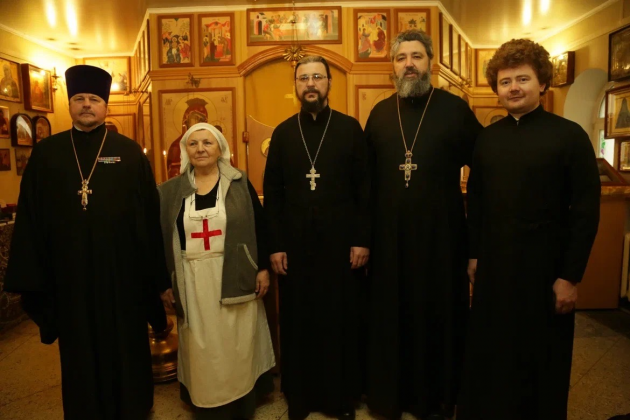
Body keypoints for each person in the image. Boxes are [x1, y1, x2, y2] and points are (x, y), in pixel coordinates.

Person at [4, 64, 168, 420]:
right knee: (79, 351)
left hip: (122, 278)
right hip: (70, 279)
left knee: (125, 345)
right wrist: (36, 277)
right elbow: (31, 217)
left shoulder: (129, 153)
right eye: (79, 98)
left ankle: (133, 408)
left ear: (105, 105)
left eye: (94, 99)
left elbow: (148, 221)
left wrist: (156, 278)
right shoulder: (47, 154)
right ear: (70, 105)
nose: (87, 105)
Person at [457, 39, 601, 420]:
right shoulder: (487, 139)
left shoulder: (570, 136)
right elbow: (477, 203)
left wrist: (570, 276)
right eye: (505, 82)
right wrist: (473, 255)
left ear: (543, 83)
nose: (514, 88)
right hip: (495, 269)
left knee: (543, 360)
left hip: (546, 271)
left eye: (522, 79)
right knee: (493, 354)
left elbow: (585, 213)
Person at [364, 29, 482, 420]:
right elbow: (364, 182)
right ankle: (391, 398)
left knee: (438, 316)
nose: (409, 64)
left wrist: (477, 243)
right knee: (392, 317)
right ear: (393, 66)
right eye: (401, 58)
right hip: (389, 241)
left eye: (417, 56)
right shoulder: (380, 114)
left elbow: (484, 171)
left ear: (431, 63)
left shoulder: (455, 110)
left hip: (441, 240)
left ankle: (437, 398)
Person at [263, 55, 370, 420]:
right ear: (296, 85)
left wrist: (362, 239)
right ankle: (300, 397)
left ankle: (341, 398)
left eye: (317, 77)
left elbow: (364, 189)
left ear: (328, 83)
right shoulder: (283, 133)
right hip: (295, 246)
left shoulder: (349, 129)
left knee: (340, 318)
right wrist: (276, 245)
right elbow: (272, 193)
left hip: (341, 245)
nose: (310, 83)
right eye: (303, 78)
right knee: (299, 320)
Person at [158, 122, 276, 419]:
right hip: (192, 279)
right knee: (202, 344)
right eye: (194, 143)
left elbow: (260, 226)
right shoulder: (170, 191)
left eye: (207, 143)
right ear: (186, 150)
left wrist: (262, 268)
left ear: (220, 148)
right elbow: (159, 239)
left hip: (234, 273)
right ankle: (206, 399)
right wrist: (164, 283)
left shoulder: (239, 183)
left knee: (237, 341)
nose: (200, 149)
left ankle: (241, 400)